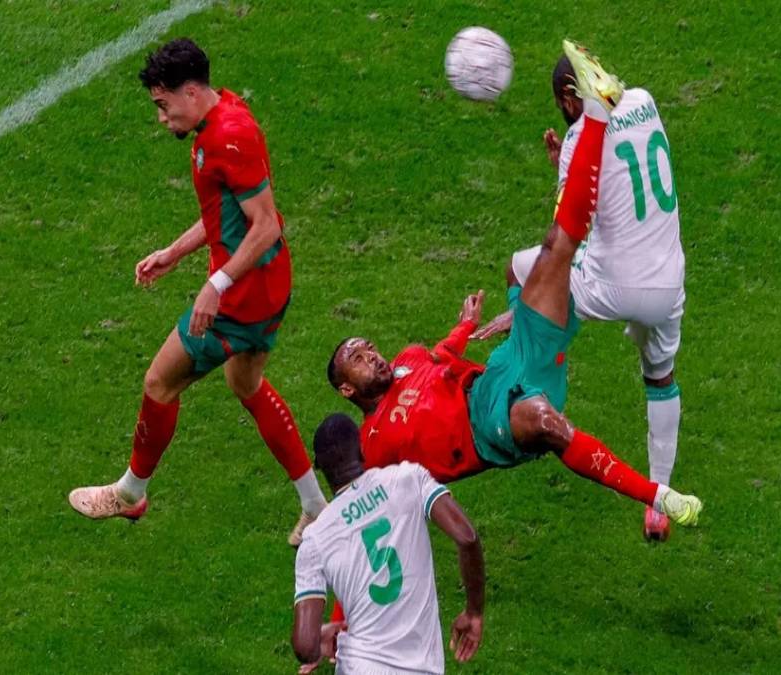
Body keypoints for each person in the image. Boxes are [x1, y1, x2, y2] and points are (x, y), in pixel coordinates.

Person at [326, 41, 702, 531]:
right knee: (554, 406)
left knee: (552, 250)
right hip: (495, 422)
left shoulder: (409, 359)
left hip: (516, 359)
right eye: (359, 357)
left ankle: (596, 115)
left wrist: (465, 329)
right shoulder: (374, 444)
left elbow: (438, 358)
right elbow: (370, 505)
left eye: (367, 347)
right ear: (346, 389)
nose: (372, 354)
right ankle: (659, 496)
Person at [68, 38, 326, 545]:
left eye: (164, 105)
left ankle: (130, 493)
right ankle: (315, 505)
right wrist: (175, 251)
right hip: (271, 285)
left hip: (241, 299)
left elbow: (266, 225)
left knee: (159, 381)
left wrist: (215, 284)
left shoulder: (227, 137)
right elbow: (229, 213)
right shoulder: (227, 112)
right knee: (246, 384)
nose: (162, 118)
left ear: (190, 92)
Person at [477, 52, 685, 541]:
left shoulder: (577, 139)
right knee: (660, 376)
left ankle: (526, 361)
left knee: (521, 267)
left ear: (571, 98)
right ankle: (659, 502)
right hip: (669, 280)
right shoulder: (645, 100)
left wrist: (565, 164)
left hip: (612, 283)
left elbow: (569, 232)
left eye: (561, 104)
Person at [293, 413, 485, 674]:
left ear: (319, 468)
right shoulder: (409, 478)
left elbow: (305, 647)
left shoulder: (314, 539)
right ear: (361, 450)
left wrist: (319, 640)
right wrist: (473, 612)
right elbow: (467, 537)